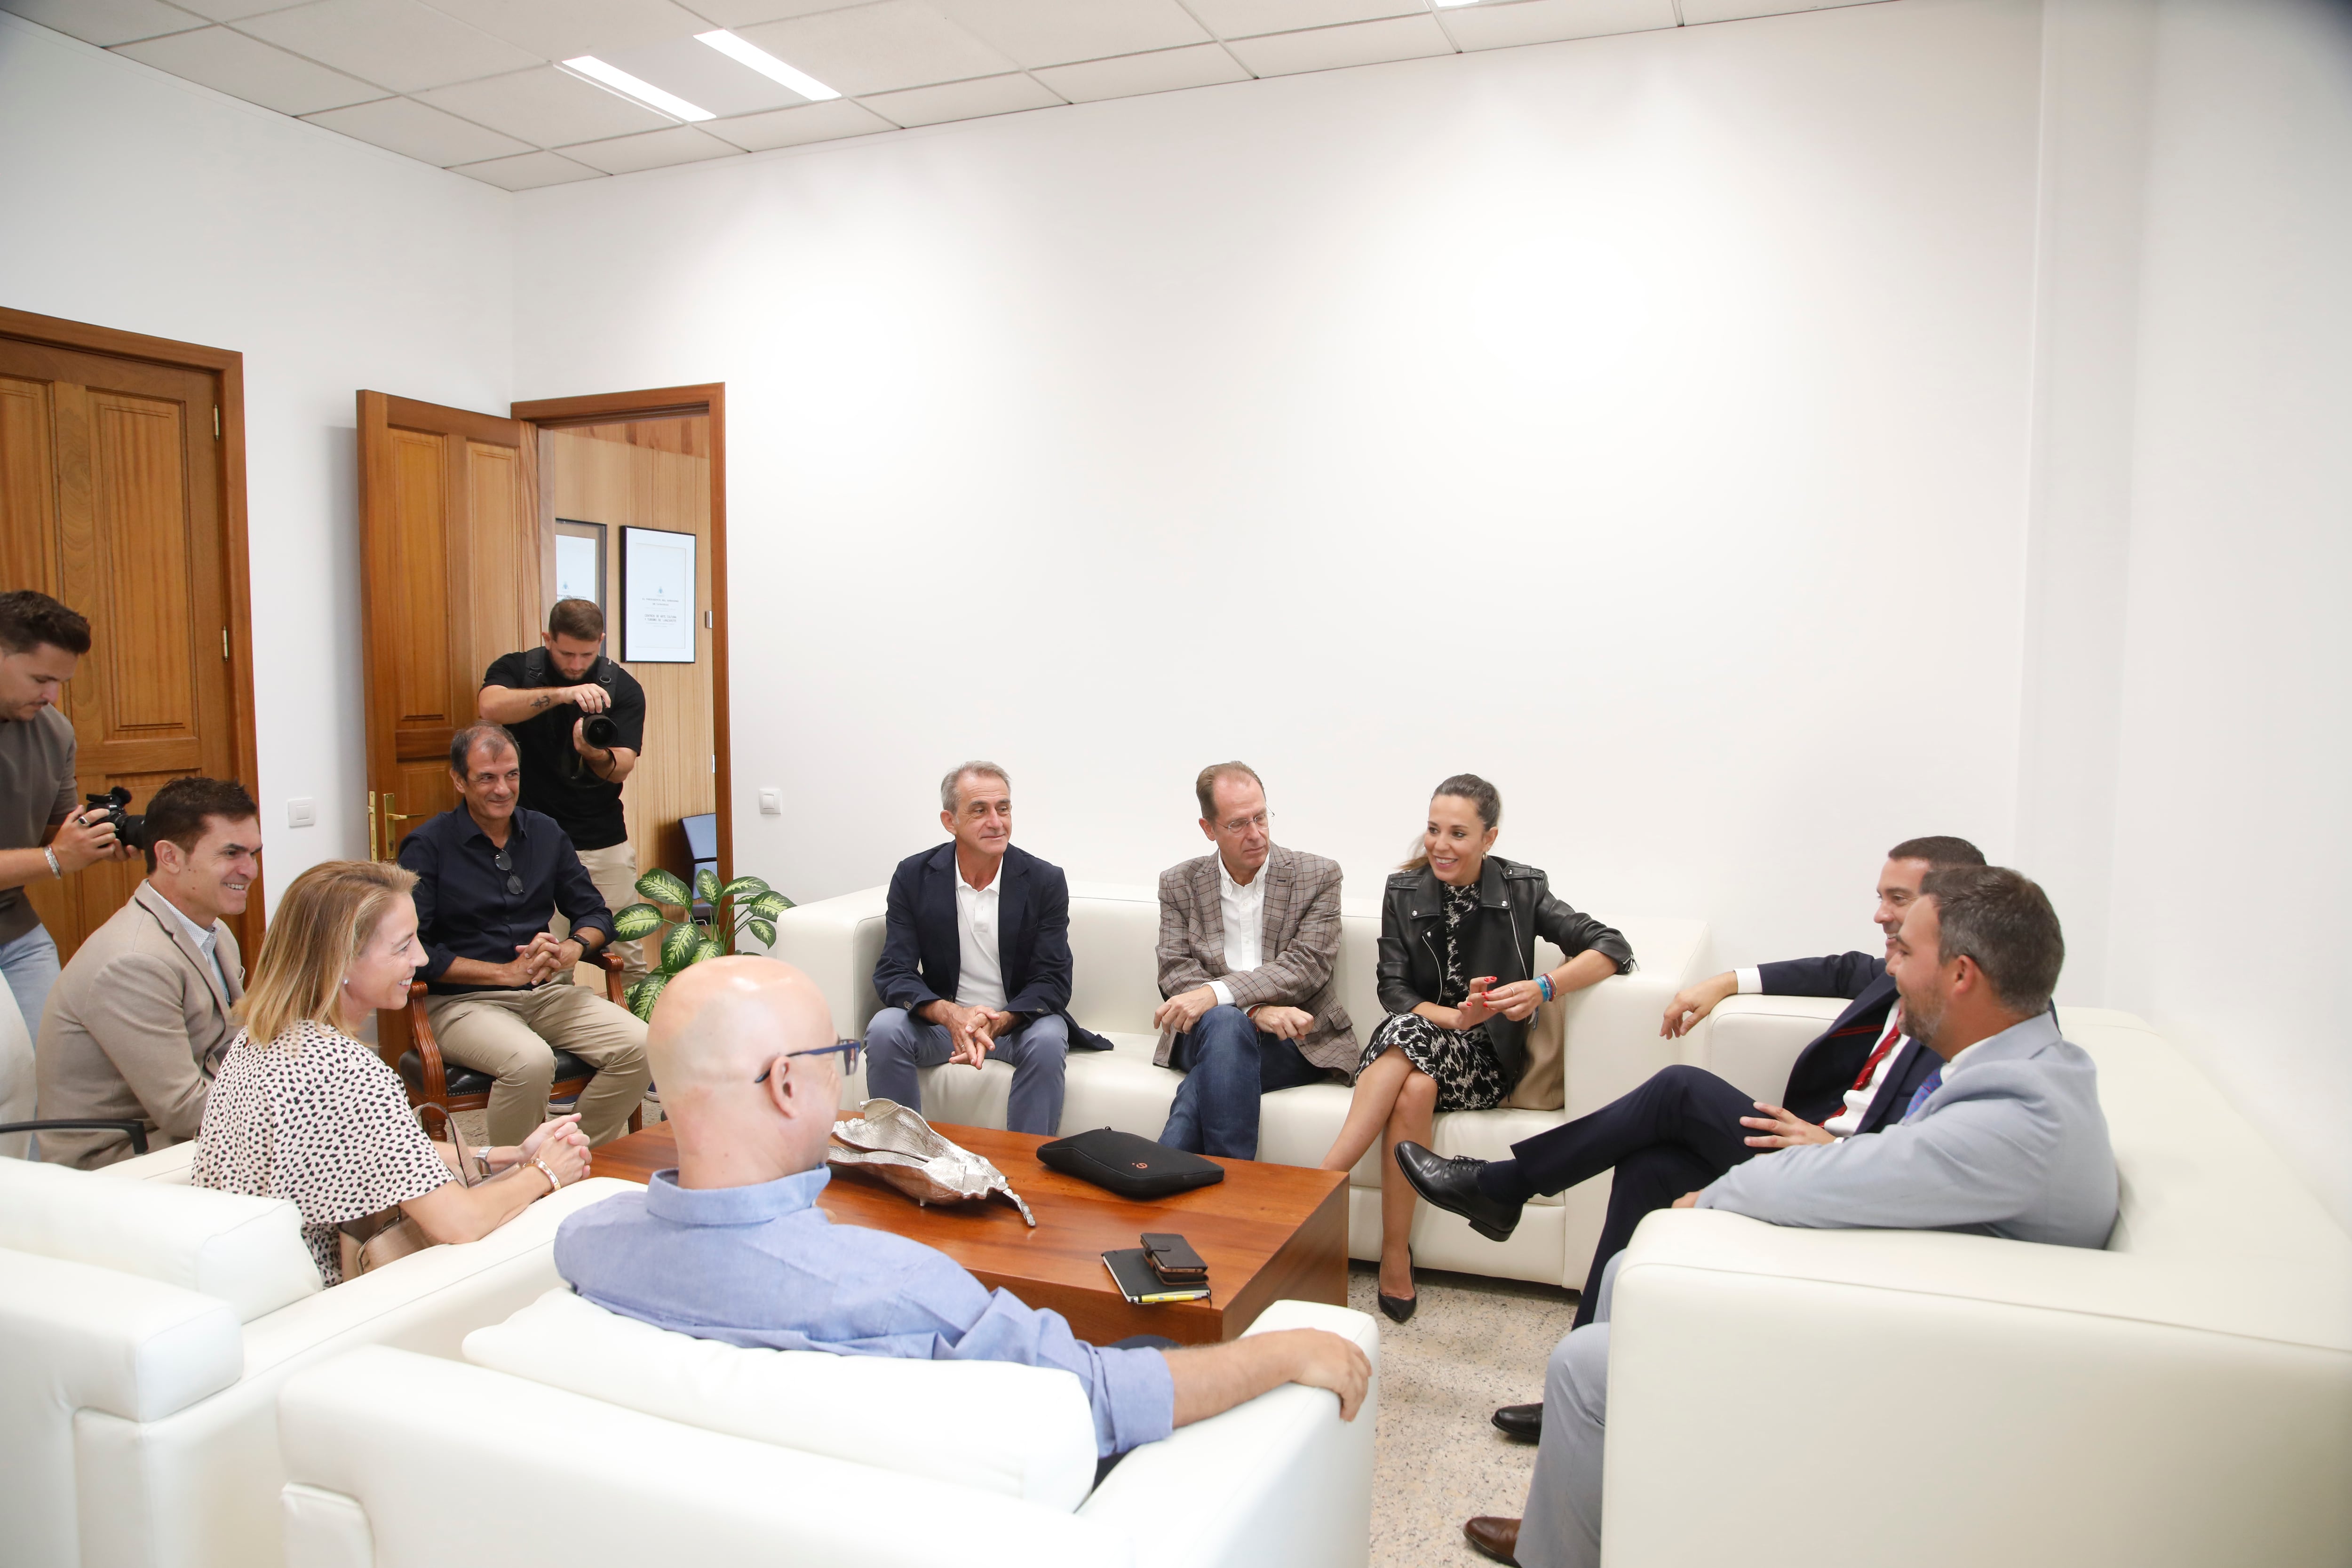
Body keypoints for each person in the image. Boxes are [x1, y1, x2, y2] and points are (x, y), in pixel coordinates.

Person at [1461, 866, 2117, 1568]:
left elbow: (1853, 1177)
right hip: (1917, 1294)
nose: (1891, 963)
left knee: (1588, 1362)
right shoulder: (2030, 1067)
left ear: (1961, 974)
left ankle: (1553, 1550)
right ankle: (1605, 1518)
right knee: (1641, 1226)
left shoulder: (2016, 1117)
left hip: (1918, 1356)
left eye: (1908, 950)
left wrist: (1708, 1202)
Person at [556, 955, 1371, 1464]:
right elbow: (1098, 1397)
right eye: (839, 1056)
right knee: (1154, 1341)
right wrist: (1283, 1352)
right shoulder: (902, 1287)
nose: (849, 1071)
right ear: (785, 1083)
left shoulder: (585, 1242)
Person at [1398, 834, 1986, 1415]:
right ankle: (1583, 1383)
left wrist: (1844, 1145)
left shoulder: (1980, 1015)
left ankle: (1501, 1187)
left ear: (1948, 909)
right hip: (1805, 1150)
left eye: (1897, 900)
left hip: (1837, 1175)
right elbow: (1837, 970)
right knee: (1649, 1167)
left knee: (1679, 1090)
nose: (1880, 914)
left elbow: (1945, 1149)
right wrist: (1722, 983)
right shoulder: (1899, 973)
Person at [1321, 774, 1633, 1322]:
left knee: (1405, 1044)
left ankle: (1318, 1181)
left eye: (1458, 833)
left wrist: (1543, 988)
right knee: (1414, 1087)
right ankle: (1395, 1256)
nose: (1440, 845)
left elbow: (1612, 946)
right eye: (1433, 829)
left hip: (1484, 1061)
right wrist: (1453, 1016)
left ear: (1488, 838)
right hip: (1422, 1042)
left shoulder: (1522, 888)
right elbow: (1393, 991)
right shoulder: (1403, 891)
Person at [194, 860, 591, 1286]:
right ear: (341, 959)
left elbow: (387, 1150)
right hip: (331, 1300)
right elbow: (460, 1222)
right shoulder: (346, 1071)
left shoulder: (258, 1039)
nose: (420, 958)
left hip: (248, 1280)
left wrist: (504, 1157)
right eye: (403, 947)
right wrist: (545, 1173)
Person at [397, 724, 650, 1147]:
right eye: (487, 777)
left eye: (511, 775)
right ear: (459, 780)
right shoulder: (428, 845)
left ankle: (574, 1155)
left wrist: (573, 948)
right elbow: (414, 948)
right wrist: (503, 974)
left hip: (547, 993)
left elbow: (596, 913)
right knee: (530, 1061)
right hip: (463, 1004)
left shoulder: (546, 832)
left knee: (642, 1044)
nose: (503, 789)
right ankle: (513, 1180)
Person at [33, 778, 262, 1168]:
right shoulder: (134, 961)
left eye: (254, 853)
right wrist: (299, 1107)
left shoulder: (216, 932)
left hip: (176, 1138)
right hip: (118, 1165)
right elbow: (184, 1109)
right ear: (169, 856)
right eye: (231, 853)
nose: (250, 870)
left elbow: (235, 1050)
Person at [866, 761, 1084, 1136]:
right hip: (943, 1026)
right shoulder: (914, 875)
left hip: (1017, 1024)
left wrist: (1000, 1020)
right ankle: (902, 1158)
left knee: (1050, 1038)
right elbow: (893, 970)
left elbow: (1053, 980)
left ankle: (1025, 1172)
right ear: (949, 821)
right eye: (980, 810)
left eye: (1004, 808)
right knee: (885, 1028)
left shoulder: (1045, 880)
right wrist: (949, 1013)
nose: (997, 822)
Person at [1152, 762, 1354, 1159]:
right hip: (1207, 1033)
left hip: (1295, 1040)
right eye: (1238, 824)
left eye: (1261, 817)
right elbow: (1176, 970)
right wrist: (1255, 1010)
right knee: (1226, 1024)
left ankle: (1155, 1175)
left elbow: (1306, 966)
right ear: (1208, 828)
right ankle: (1234, 1198)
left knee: (1207, 1077)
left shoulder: (1319, 875)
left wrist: (1220, 995)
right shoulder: (1178, 883)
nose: (1256, 833)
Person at [477, 599, 649, 984]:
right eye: (566, 652)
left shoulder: (621, 686)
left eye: (586, 654)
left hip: (600, 838)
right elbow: (490, 706)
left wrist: (593, 753)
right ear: (547, 639)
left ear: (601, 642)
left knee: (628, 959)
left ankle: (640, 1039)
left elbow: (622, 766)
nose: (575, 664)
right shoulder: (519, 669)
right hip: (528, 843)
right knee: (543, 960)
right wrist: (562, 695)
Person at [0, 591, 128, 1099]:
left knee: (52, 1077)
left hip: (16, 929)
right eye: (40, 679)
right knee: (9, 1078)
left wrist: (100, 838)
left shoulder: (53, 731)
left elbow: (60, 828)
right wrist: (56, 860)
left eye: (60, 682)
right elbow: (54, 852)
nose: (52, 695)